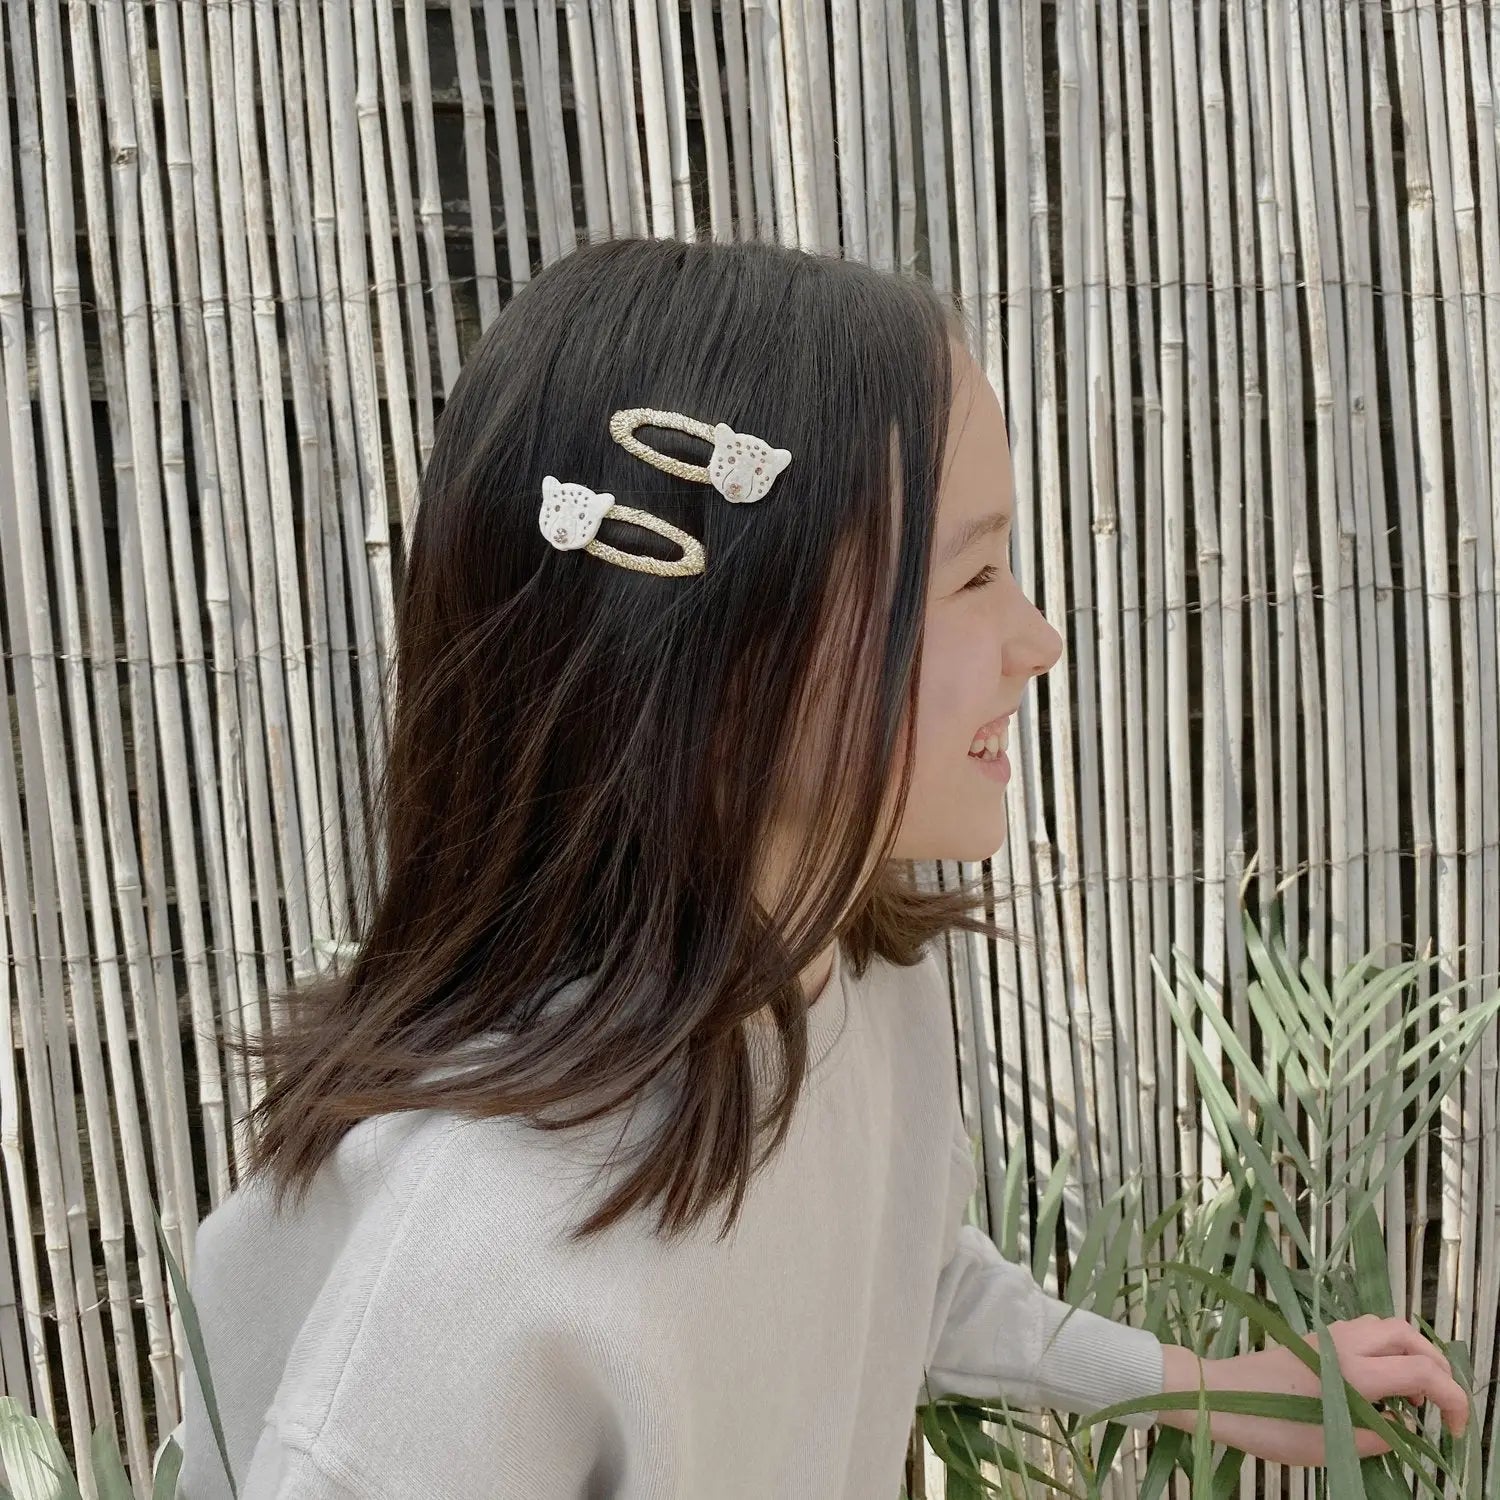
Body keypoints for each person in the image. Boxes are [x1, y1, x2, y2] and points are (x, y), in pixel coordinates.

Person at [168, 236, 1467, 1497]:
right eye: (973, 573)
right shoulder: (478, 1250)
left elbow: (900, 1274)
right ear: (726, 651)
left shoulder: (847, 977)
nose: (1040, 637)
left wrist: (1209, 1385)